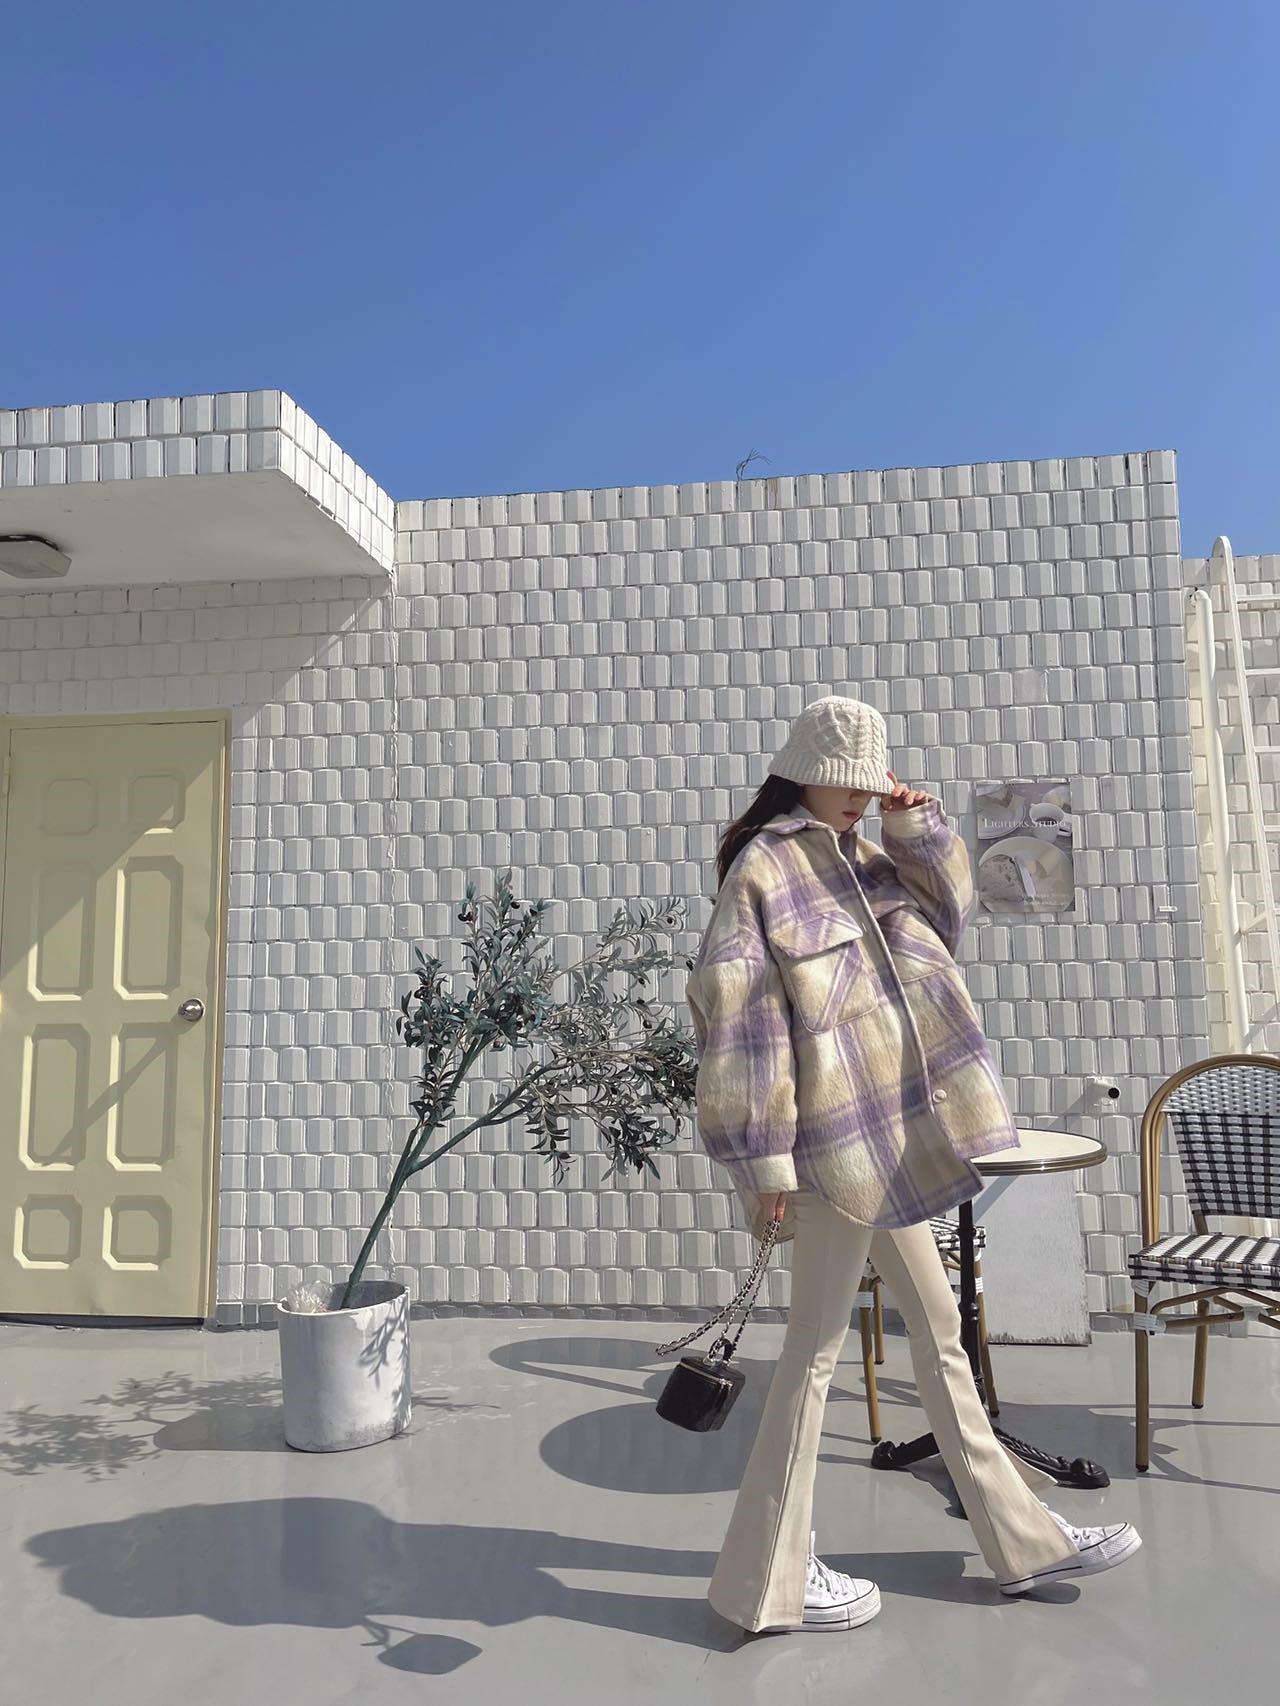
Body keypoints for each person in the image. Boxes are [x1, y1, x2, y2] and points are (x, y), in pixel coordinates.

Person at [683, 695, 1141, 1635]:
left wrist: (916, 823)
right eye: (845, 781)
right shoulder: (765, 868)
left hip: (891, 1140)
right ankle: (767, 1582)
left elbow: (947, 917)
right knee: (814, 1355)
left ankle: (1022, 1542)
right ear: (803, 771)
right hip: (825, 1153)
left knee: (938, 1334)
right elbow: (741, 1024)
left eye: (871, 780)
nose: (859, 795)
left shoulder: (870, 860)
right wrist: (765, 1164)